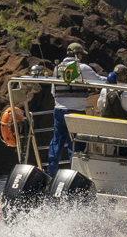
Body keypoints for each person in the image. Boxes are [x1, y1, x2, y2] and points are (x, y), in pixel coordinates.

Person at [48, 42, 102, 176]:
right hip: (76, 112)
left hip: (59, 110)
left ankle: (51, 173)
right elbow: (100, 80)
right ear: (77, 54)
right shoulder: (82, 68)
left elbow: (53, 92)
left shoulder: (57, 69)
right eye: (81, 55)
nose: (82, 57)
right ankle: (75, 175)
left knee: (57, 141)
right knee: (76, 144)